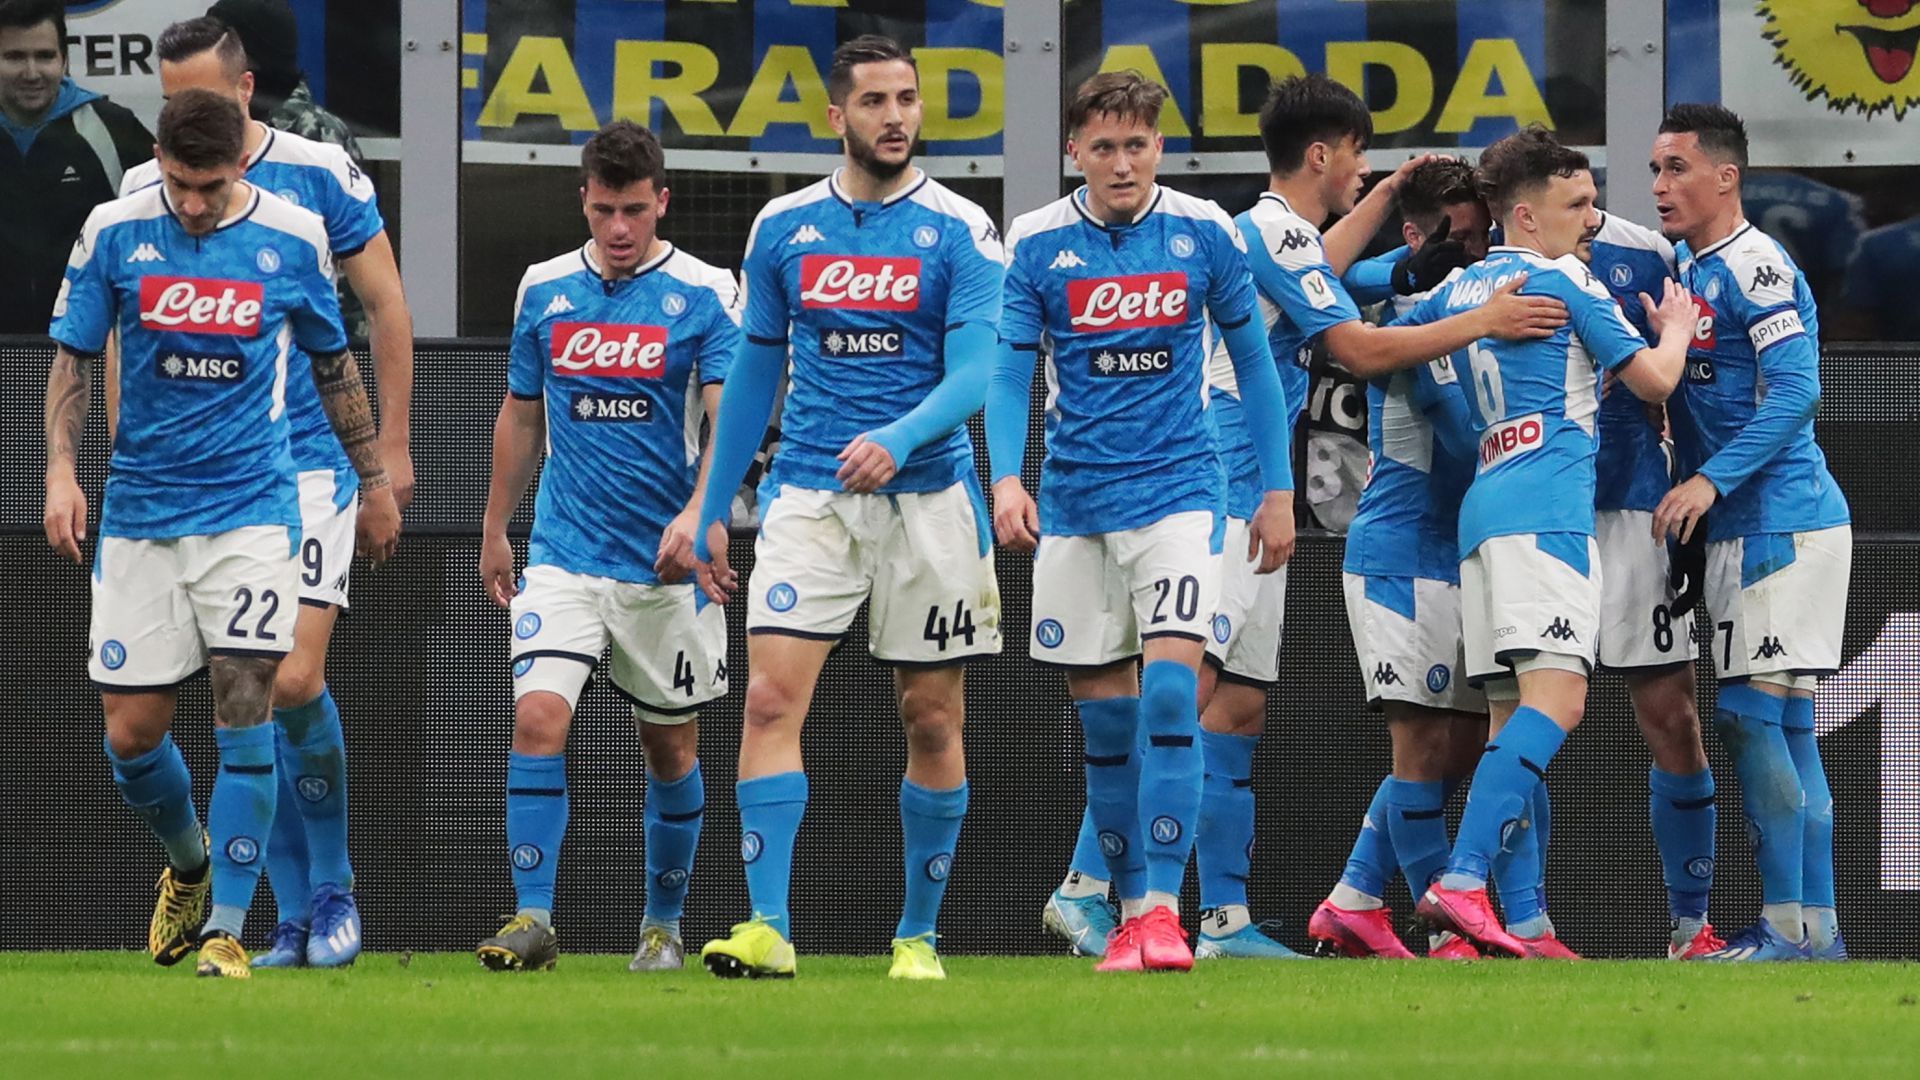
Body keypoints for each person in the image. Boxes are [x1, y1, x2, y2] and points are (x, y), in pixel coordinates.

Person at [1036, 74, 1559, 962]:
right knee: (1185, 691)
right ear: (1323, 154)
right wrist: (1485, 322)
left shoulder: (1275, 234)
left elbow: (1326, 265)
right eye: (1360, 157)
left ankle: (1226, 920)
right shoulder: (1263, 230)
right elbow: (1351, 344)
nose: (1364, 173)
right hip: (1225, 483)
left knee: (1237, 705)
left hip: (1255, 484)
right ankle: (1090, 890)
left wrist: (1394, 200)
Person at [43, 88, 399, 979]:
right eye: (178, 183)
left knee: (249, 708)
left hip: (251, 510)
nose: (193, 203)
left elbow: (333, 364)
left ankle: (229, 931)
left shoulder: (289, 235)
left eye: (208, 185)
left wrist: (375, 478)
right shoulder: (114, 230)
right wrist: (58, 471)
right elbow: (74, 361)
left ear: (240, 163)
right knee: (130, 735)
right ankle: (193, 863)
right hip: (141, 513)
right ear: (158, 162)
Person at [688, 35, 1005, 982]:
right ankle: (768, 928)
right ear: (838, 117)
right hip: (809, 501)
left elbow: (978, 372)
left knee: (931, 719)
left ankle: (917, 938)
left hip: (932, 499)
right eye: (874, 101)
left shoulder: (960, 228)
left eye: (907, 98)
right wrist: (711, 502)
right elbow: (753, 372)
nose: (896, 116)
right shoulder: (783, 227)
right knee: (769, 699)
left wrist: (900, 436)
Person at [989, 68, 1297, 974]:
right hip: (1078, 507)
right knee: (1108, 731)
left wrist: (1276, 490)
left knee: (1170, 696)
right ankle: (1125, 914)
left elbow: (1256, 363)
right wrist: (1006, 479)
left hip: (1183, 498)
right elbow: (1010, 373)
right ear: (1074, 151)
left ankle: (1165, 911)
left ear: (1158, 148)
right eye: (1103, 146)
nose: (1121, 163)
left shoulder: (1205, 232)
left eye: (1136, 144)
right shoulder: (1037, 242)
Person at [1408, 126, 1693, 958]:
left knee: (1508, 726)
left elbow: (1391, 345)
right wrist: (1672, 327)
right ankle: (1462, 884)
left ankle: (1527, 923)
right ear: (1526, 215)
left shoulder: (1462, 290)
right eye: (1577, 203)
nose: (1594, 218)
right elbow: (1656, 383)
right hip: (1547, 516)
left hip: (1481, 515)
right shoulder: (1566, 281)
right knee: (1559, 703)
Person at [471, 121, 738, 975]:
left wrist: (703, 513)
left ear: (662, 201)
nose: (617, 230)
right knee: (537, 716)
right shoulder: (543, 288)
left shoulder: (704, 292)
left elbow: (726, 415)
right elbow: (521, 412)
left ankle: (662, 924)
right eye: (601, 211)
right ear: (581, 202)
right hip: (564, 551)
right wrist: (493, 527)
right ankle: (533, 917)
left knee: (670, 748)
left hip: (666, 567)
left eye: (632, 210)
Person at [1650, 104, 1853, 962]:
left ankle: (1782, 927)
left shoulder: (1757, 266)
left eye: (1677, 169)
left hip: (1781, 521)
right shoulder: (1684, 267)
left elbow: (1798, 393)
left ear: (1726, 177)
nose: (1660, 185)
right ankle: (1817, 931)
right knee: (1789, 727)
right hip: (1751, 526)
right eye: (1656, 170)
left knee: (1747, 718)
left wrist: (1708, 477)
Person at [1309, 157, 1493, 961]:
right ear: (1421, 238)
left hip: (1467, 552)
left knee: (1463, 749)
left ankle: (1355, 896)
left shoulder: (1482, 306)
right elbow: (1319, 277)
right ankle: (1445, 929)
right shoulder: (1399, 313)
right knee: (1422, 751)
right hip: (1399, 553)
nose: (1481, 255)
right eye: (1465, 241)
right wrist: (1407, 265)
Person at [1577, 208, 1723, 960]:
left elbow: (1684, 382)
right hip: (1537, 515)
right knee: (1504, 725)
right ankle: (1513, 923)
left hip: (1634, 507)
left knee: (1673, 717)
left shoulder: (1642, 252)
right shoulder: (1485, 259)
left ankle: (1690, 925)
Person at [203, 0, 371, 338]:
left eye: (220, 43)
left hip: (311, 342)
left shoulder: (321, 139)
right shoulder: (207, 124)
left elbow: (359, 269)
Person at [0, 0, 151, 333]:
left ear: (64, 60)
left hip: (88, 349)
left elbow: (160, 234)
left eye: (45, 56)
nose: (31, 72)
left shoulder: (115, 130)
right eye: (14, 57)